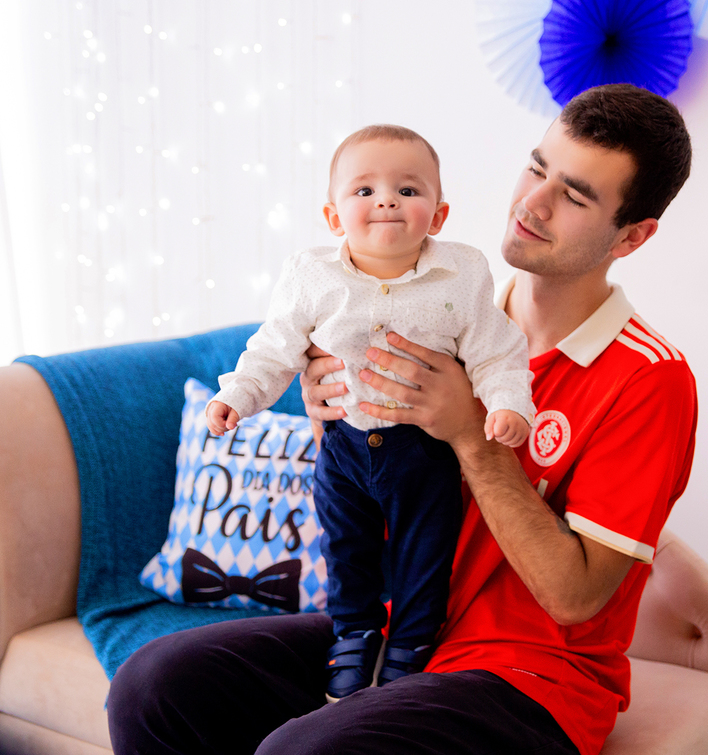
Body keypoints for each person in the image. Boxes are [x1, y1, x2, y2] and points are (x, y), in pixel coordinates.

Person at [108, 83, 697, 755]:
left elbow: (575, 598)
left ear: (632, 236)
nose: (532, 203)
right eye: (536, 168)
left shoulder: (648, 380)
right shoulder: (441, 308)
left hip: (534, 682)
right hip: (399, 631)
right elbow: (370, 483)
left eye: (574, 196)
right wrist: (329, 409)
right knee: (152, 690)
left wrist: (471, 437)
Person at [206, 124, 535, 699]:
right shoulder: (311, 276)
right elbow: (273, 348)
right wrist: (237, 396)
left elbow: (496, 349)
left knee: (424, 549)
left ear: (438, 214)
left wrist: (508, 404)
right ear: (334, 217)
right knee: (346, 545)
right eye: (364, 191)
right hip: (343, 444)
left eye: (408, 190)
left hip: (421, 450)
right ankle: (354, 633)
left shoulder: (462, 276)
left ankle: (410, 642)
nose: (386, 199)